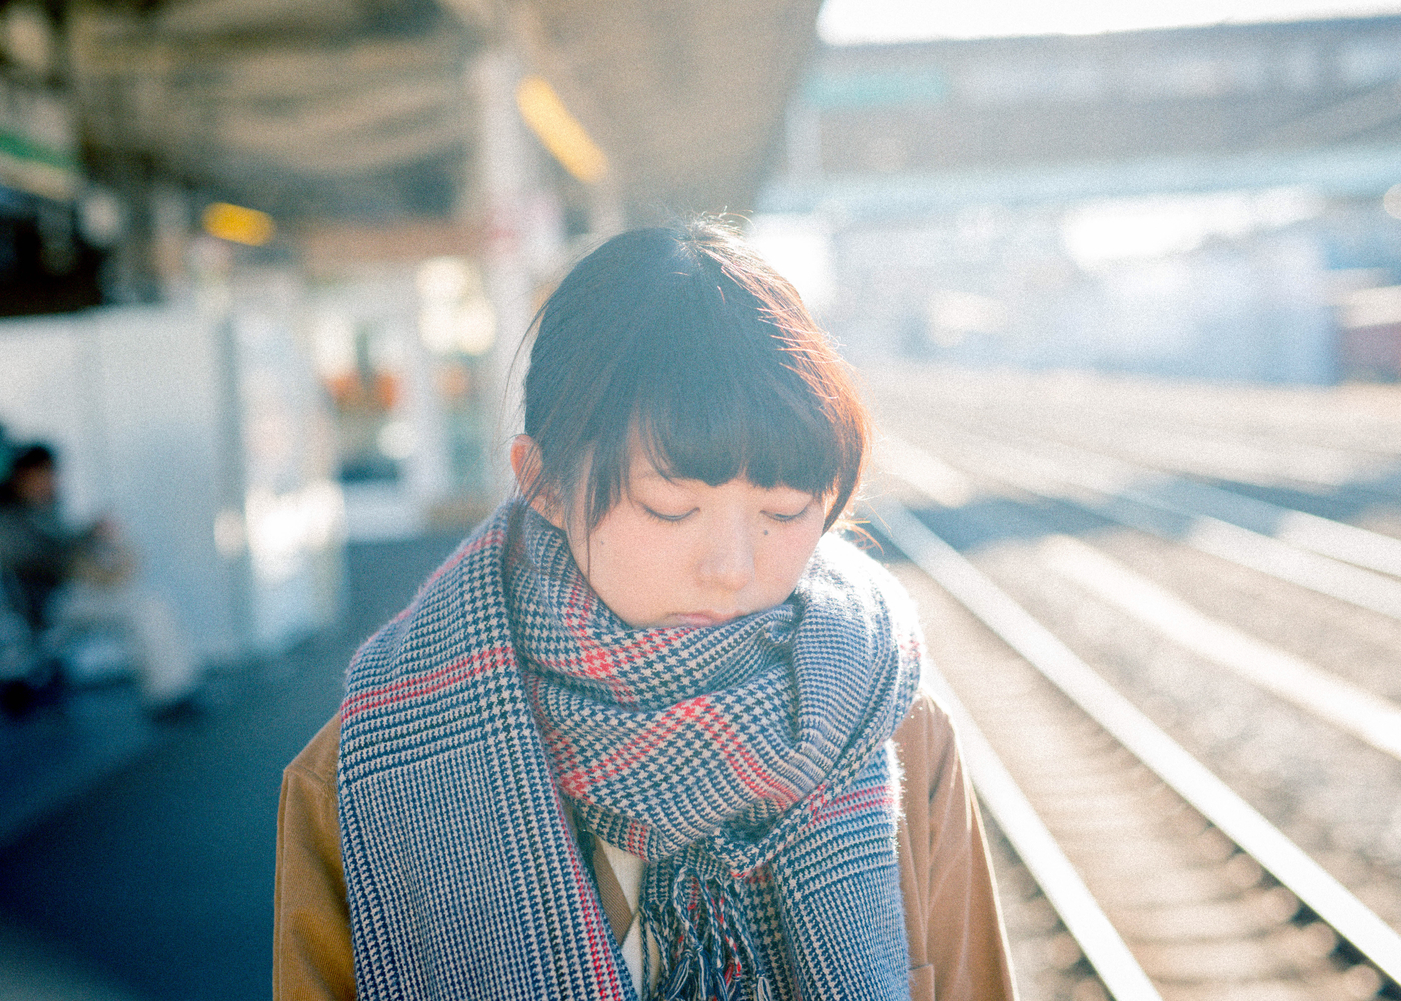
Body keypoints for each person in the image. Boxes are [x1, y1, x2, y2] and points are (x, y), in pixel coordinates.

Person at [274, 220, 1016, 1000]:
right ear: (545, 482)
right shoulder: (370, 774)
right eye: (670, 506)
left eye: (787, 507)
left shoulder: (893, 724)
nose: (732, 566)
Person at [0, 442, 200, 713]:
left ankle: (174, 689)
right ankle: (168, 694)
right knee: (142, 608)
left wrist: (91, 535)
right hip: (51, 606)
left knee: (149, 602)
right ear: (20, 478)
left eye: (49, 475)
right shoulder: (10, 519)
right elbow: (36, 559)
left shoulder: (47, 510)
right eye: (39, 476)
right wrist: (82, 544)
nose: (47, 482)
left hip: (73, 597)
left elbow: (64, 547)